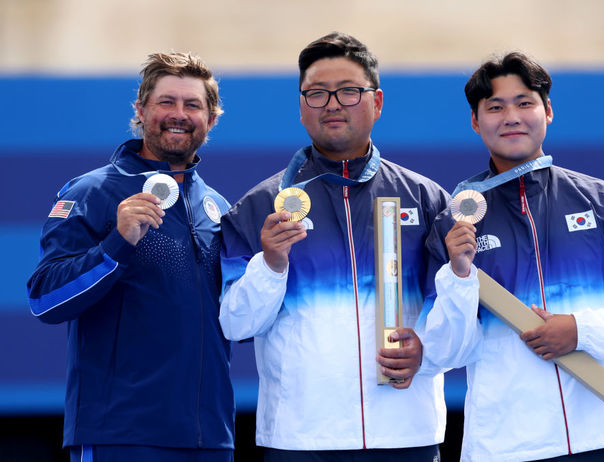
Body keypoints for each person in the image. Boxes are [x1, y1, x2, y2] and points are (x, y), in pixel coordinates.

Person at [419, 51, 604, 461]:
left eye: (525, 103)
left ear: (548, 110)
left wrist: (579, 329)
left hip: (602, 433)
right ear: (475, 120)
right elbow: (445, 350)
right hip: (507, 441)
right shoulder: (452, 224)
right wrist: (460, 275)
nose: (511, 116)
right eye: (495, 107)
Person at [218, 32, 450, 461]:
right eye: (317, 94)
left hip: (405, 433)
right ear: (301, 107)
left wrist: (429, 350)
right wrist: (270, 264)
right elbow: (236, 325)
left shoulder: (427, 200)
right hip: (301, 439)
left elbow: (456, 312)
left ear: (377, 102)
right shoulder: (258, 206)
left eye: (348, 91)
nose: (332, 104)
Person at [27, 52, 235, 462]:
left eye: (193, 105)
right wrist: (117, 243)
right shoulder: (92, 192)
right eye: (166, 102)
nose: (179, 114)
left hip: (210, 438)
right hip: (120, 435)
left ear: (211, 119)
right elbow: (43, 299)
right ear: (140, 110)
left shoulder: (218, 207)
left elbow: (236, 318)